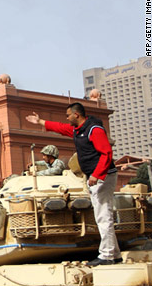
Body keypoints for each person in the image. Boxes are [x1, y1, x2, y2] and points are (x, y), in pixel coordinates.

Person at [26, 103, 121, 266]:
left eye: (68, 115)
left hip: (102, 177)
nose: (67, 118)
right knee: (102, 215)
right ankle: (114, 253)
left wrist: (96, 175)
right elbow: (61, 128)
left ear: (76, 115)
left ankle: (107, 256)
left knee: (103, 216)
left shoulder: (94, 130)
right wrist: (40, 122)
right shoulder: (79, 130)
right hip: (95, 177)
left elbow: (106, 153)